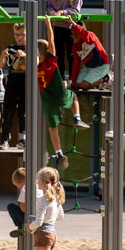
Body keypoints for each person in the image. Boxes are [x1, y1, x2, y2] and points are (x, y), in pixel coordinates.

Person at [37, 16, 78, 168]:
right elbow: (51, 42)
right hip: (54, 94)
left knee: (52, 127)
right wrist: (48, 25)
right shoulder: (46, 62)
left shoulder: (44, 63)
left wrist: (48, 25)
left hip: (48, 97)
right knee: (73, 96)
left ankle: (59, 150)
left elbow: (51, 43)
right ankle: (77, 117)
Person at [27, 165, 65, 250]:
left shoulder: (43, 199)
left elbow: (39, 221)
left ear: (43, 182)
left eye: (38, 179)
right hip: (52, 232)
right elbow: (61, 216)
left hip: (43, 233)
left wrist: (30, 227)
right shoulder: (55, 198)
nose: (36, 181)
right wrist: (50, 220)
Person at [46, 0, 83, 81]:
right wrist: (52, 13)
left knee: (72, 55)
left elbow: (75, 10)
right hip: (58, 27)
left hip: (71, 28)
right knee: (59, 55)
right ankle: (60, 78)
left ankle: (73, 78)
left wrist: (62, 12)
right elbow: (50, 6)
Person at [0, 21, 27, 149]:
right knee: (8, 110)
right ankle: (4, 139)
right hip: (13, 79)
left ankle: (23, 139)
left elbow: (36, 62)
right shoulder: (12, 47)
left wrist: (25, 55)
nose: (19, 38)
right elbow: (1, 65)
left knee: (23, 111)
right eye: (16, 35)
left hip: (26, 80)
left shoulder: (31, 47)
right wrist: (3, 56)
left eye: (22, 35)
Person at [7, 166, 26, 238]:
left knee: (11, 207)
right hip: (40, 216)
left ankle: (21, 227)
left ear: (23, 182)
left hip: (30, 219)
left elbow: (23, 208)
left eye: (18, 186)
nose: (18, 188)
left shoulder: (25, 189)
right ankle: (22, 227)